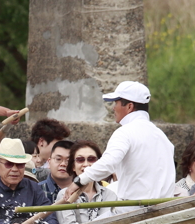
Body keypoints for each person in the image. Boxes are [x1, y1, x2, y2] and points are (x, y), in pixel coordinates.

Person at [68, 81, 176, 211]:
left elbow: (108, 164)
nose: (113, 108)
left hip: (134, 210)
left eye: (116, 103)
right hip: (164, 209)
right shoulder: (161, 136)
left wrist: (79, 181)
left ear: (129, 107)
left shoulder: (125, 132)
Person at [55, 140, 119, 224]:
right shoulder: (64, 194)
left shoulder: (110, 194)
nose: (86, 164)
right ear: (73, 166)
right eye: (80, 160)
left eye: (91, 159)